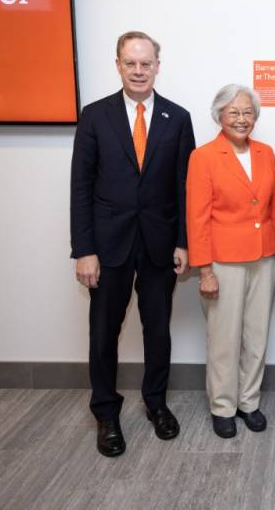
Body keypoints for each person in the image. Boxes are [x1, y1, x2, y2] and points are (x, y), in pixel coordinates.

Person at [70, 30, 195, 457]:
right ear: (118, 65)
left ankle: (156, 403)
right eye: (131, 63)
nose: (139, 70)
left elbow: (184, 186)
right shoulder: (95, 116)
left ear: (158, 66)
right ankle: (106, 413)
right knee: (104, 332)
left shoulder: (177, 118)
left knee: (157, 330)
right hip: (107, 247)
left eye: (146, 63)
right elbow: (80, 187)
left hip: (160, 244)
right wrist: (83, 249)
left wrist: (183, 242)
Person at [186, 84, 275, 439]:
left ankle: (249, 401)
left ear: (255, 117)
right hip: (223, 262)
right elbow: (196, 218)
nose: (242, 119)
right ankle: (223, 406)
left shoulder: (265, 152)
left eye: (248, 112)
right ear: (219, 116)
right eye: (234, 112)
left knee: (256, 336)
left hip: (263, 255)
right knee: (224, 338)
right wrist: (205, 270)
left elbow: (274, 206)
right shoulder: (203, 157)